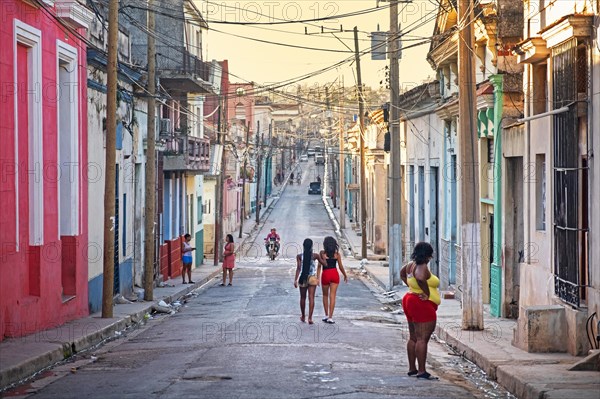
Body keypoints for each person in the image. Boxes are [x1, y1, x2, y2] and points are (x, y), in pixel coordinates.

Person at [400, 242, 441, 380]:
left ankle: (412, 368)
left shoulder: (411, 265)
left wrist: (412, 288)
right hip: (420, 304)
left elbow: (402, 274)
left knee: (413, 337)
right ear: (428, 255)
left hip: (409, 299)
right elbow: (420, 277)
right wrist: (427, 293)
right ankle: (422, 371)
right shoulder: (422, 266)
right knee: (422, 338)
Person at [294, 239, 326, 324]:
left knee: (302, 298)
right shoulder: (315, 256)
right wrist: (323, 256)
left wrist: (295, 280)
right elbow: (324, 264)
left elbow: (298, 268)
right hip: (312, 278)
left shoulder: (299, 256)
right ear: (311, 246)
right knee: (311, 298)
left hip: (303, 277)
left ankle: (303, 316)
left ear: (303, 246)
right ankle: (310, 318)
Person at [319, 236, 348, 324]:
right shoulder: (337, 254)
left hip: (326, 274)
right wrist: (345, 275)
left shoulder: (322, 253)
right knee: (333, 296)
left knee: (325, 295)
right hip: (334, 274)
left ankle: (326, 314)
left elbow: (319, 266)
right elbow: (340, 266)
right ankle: (331, 317)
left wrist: (317, 277)